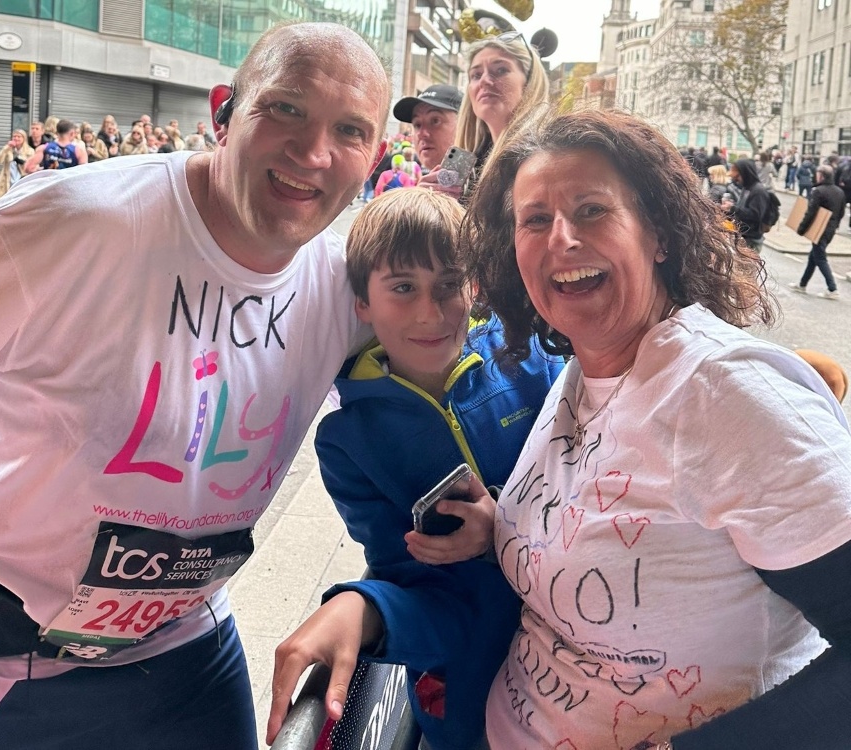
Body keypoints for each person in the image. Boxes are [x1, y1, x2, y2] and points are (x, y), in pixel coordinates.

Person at [0, 21, 389, 750]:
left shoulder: (346, 289)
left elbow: (460, 397)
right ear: (224, 112)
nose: (313, 152)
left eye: (349, 130)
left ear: (376, 157)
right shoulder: (73, 223)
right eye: (286, 109)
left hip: (182, 656)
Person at [462, 107, 851, 749]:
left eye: (591, 210)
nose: (561, 237)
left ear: (658, 235)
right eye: (535, 220)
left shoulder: (726, 396)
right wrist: (500, 524)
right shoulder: (588, 365)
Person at [269, 188, 563, 749]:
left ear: (472, 288)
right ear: (362, 302)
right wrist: (363, 608)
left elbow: (601, 491)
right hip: (469, 697)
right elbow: (419, 587)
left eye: (448, 285)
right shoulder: (349, 443)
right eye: (402, 288)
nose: (431, 312)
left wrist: (504, 528)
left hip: (589, 674)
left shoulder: (533, 362)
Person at [423, 30, 548, 200]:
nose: (484, 81)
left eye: (500, 70)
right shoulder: (471, 162)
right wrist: (428, 205)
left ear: (529, 81)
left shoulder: (545, 154)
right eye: (476, 75)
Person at [788, 163, 846, 300]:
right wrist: (835, 225)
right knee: (813, 257)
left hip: (819, 230)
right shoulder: (839, 192)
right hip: (830, 230)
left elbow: (811, 212)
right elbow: (842, 212)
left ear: (821, 175)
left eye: (818, 174)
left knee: (820, 258)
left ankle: (832, 289)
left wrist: (801, 229)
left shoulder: (818, 191)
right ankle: (802, 285)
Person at [391, 84, 463, 172]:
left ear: (464, 125)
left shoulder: (482, 182)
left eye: (435, 121)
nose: (421, 134)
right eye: (417, 125)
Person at [722, 158, 770, 252]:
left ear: (746, 174)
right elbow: (743, 208)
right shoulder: (747, 188)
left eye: (738, 177)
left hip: (751, 239)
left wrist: (733, 208)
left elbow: (755, 215)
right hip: (743, 236)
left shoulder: (758, 191)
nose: (737, 180)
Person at [0, 129, 34, 200]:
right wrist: (6, 148)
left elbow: (31, 165)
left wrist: (19, 158)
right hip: (7, 179)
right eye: (14, 136)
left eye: (19, 136)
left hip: (21, 179)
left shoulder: (29, 151)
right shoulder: (8, 149)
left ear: (24, 138)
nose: (16, 138)